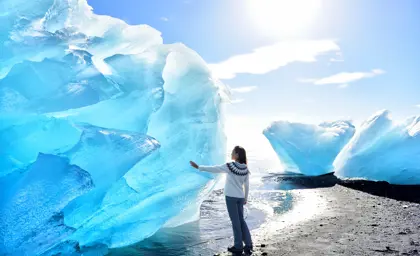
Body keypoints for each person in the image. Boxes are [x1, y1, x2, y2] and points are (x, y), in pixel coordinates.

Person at [190, 146, 253, 254]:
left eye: (233, 152)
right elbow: (247, 186)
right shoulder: (246, 169)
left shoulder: (230, 166)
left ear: (237, 155)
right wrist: (245, 198)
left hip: (231, 197)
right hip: (240, 197)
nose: (231, 153)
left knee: (235, 222)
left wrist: (199, 167)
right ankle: (248, 244)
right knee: (241, 220)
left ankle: (238, 245)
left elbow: (215, 168)